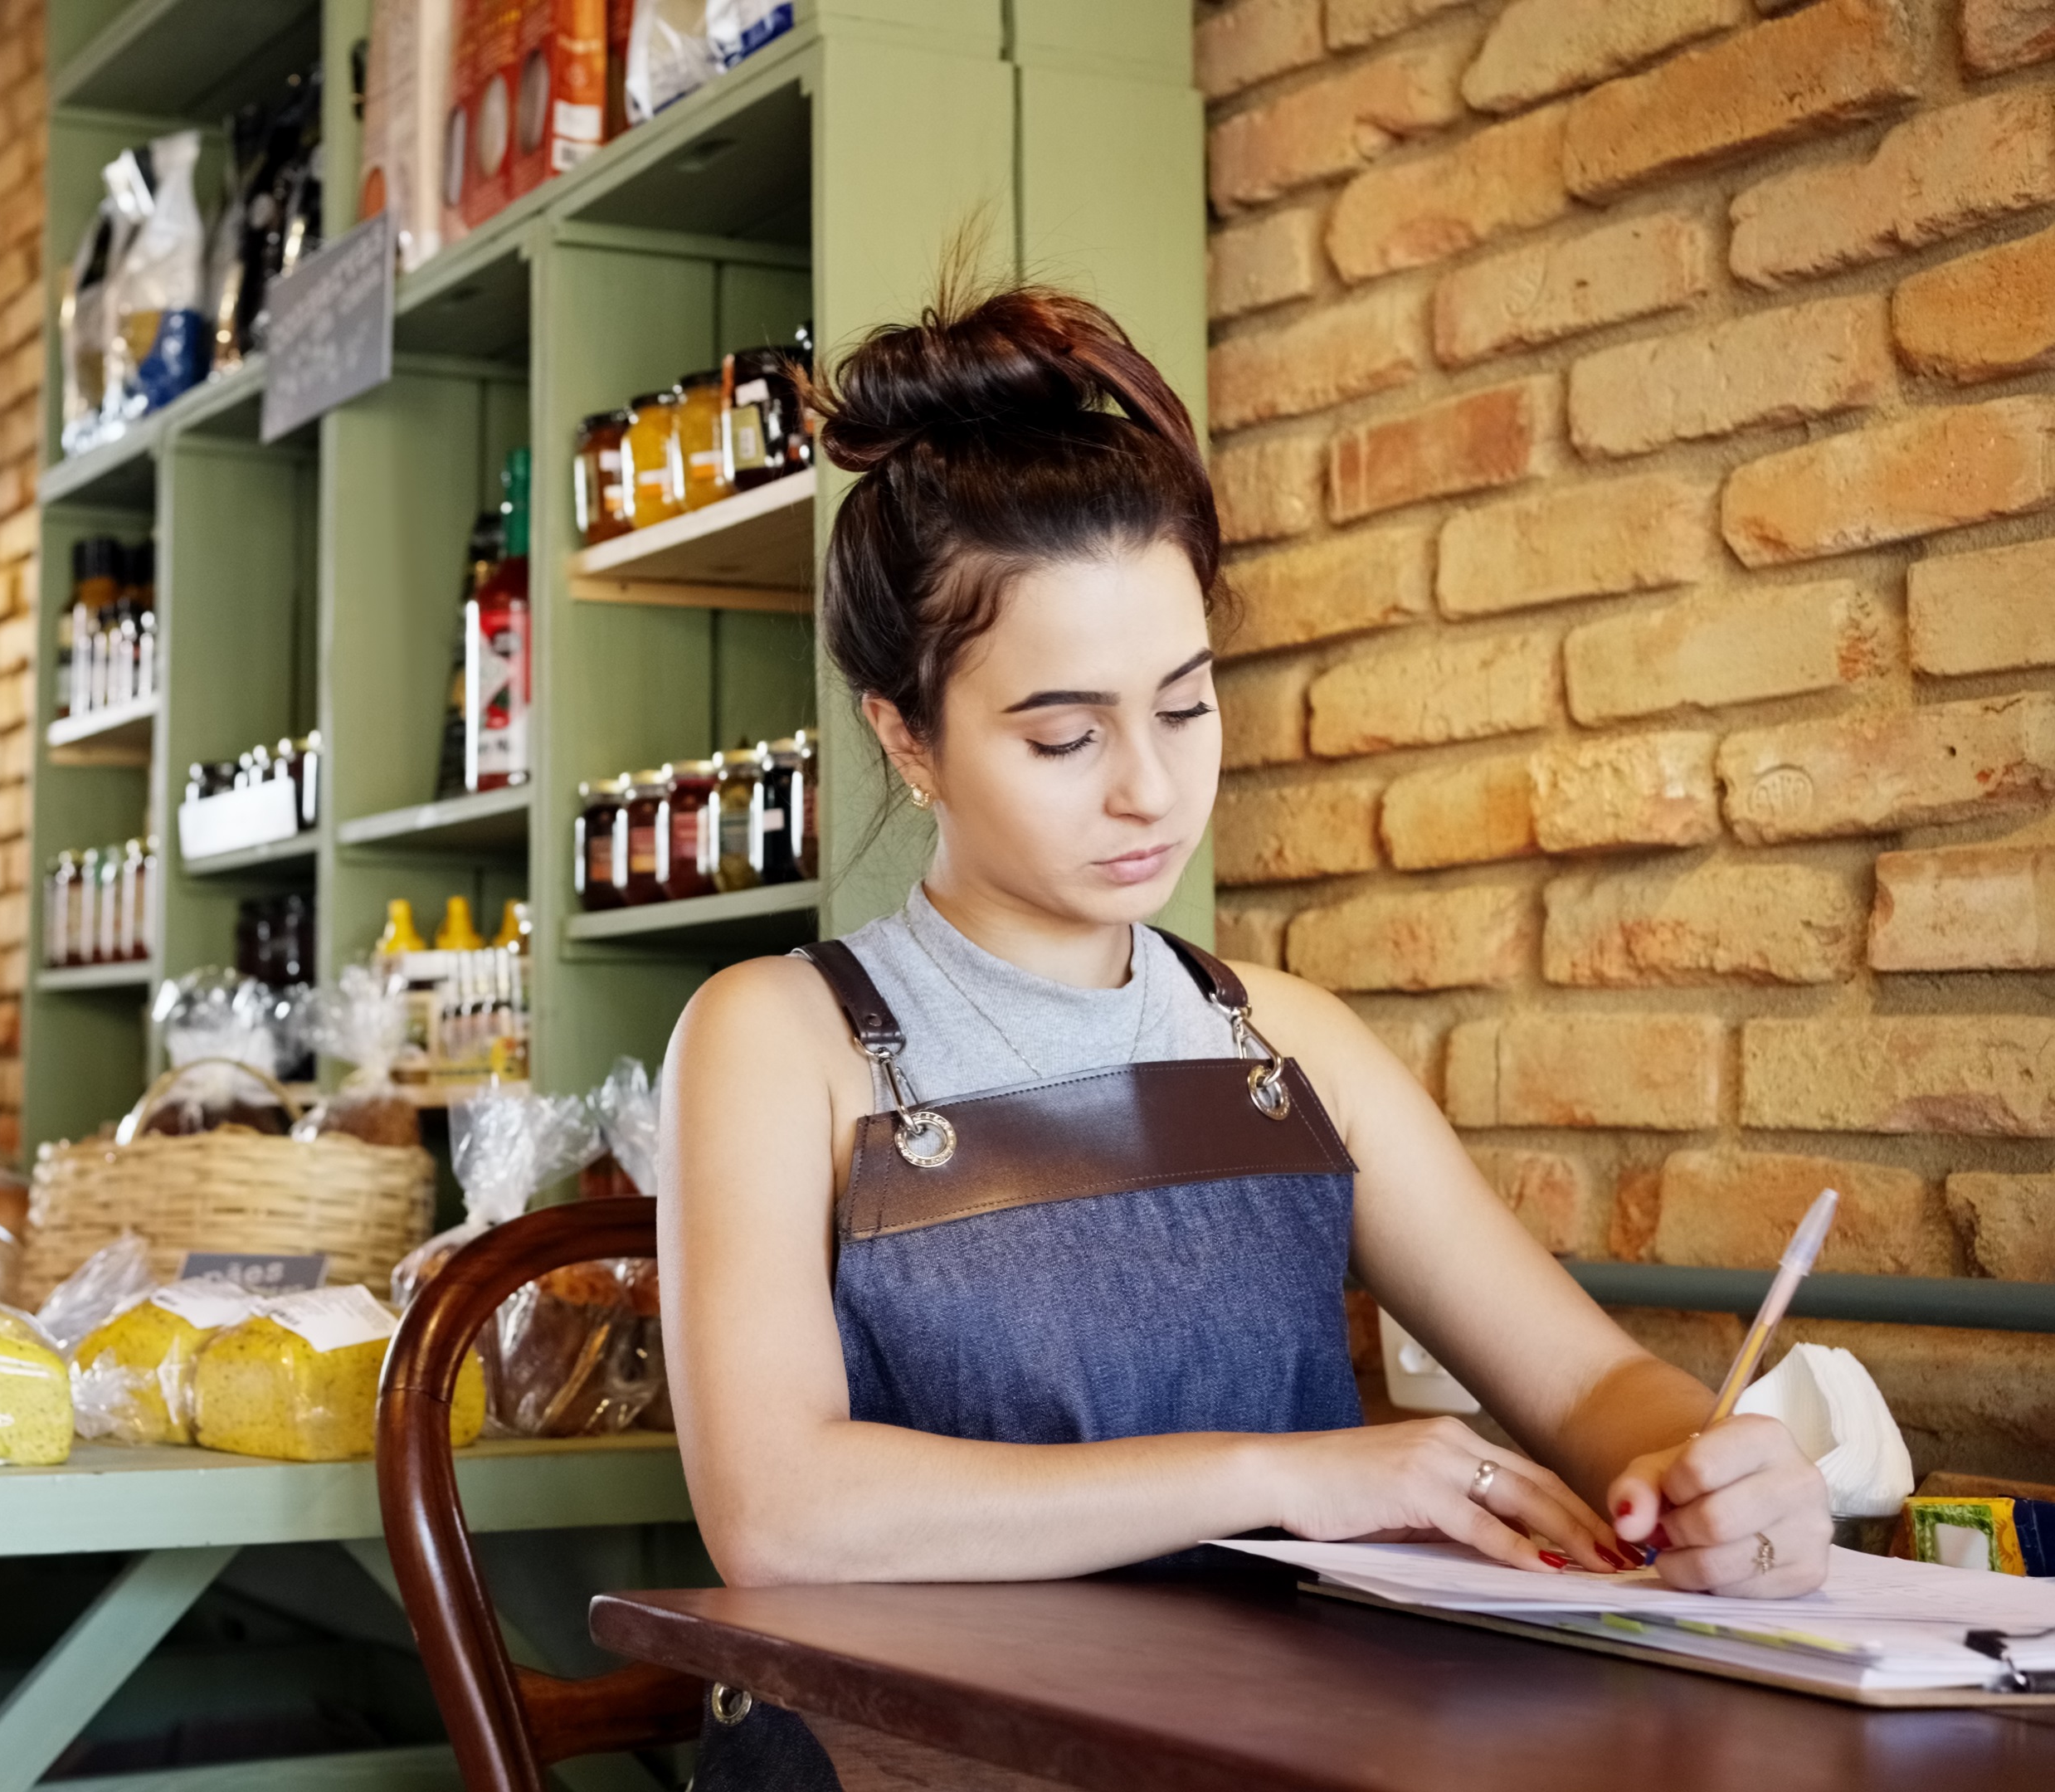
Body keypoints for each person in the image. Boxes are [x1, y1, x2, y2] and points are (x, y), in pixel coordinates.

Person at [656, 280, 1832, 1770]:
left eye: (1186, 706)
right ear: (909, 737)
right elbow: (778, 1516)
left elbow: (1590, 1385)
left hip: (1274, 1750)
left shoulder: (1289, 1043)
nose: (1149, 788)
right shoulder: (777, 1037)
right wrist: (1285, 1477)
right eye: (1066, 736)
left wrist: (1715, 1472)